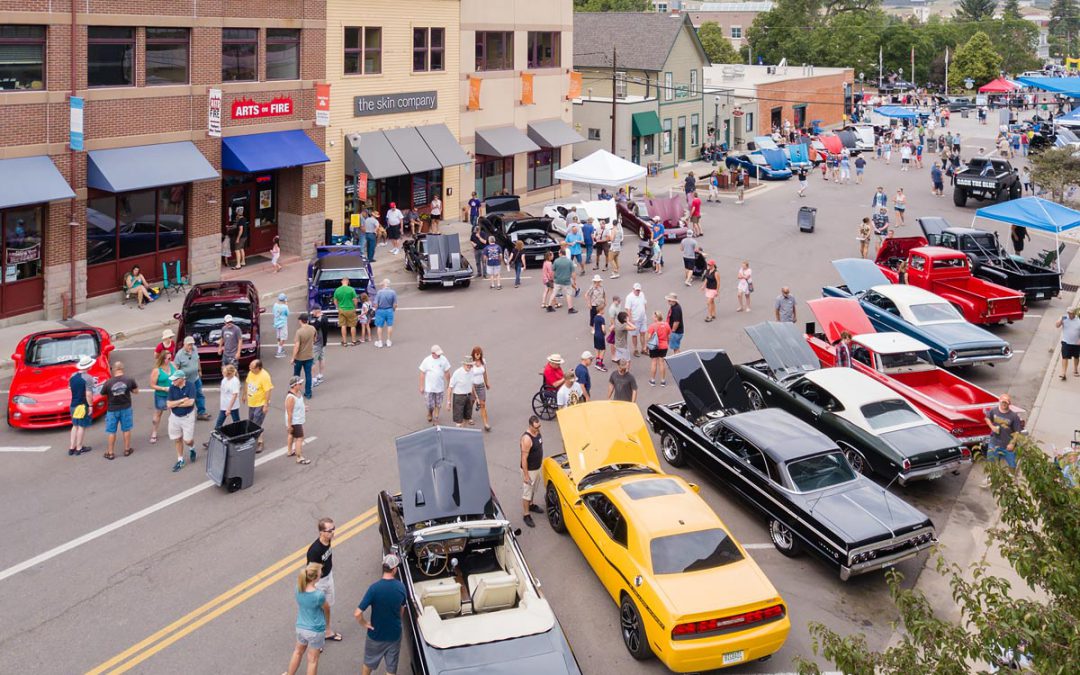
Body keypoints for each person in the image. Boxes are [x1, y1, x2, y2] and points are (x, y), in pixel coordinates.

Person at [356, 554, 407, 675]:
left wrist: (365, 623)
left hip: (375, 635)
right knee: (391, 668)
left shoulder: (374, 589)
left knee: (368, 663)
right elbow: (401, 610)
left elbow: (357, 613)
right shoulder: (401, 587)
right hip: (394, 635)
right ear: (394, 569)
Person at [284, 562, 329, 675]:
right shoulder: (319, 595)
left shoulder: (298, 588)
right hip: (315, 630)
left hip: (301, 627)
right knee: (312, 660)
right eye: (320, 573)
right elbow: (326, 609)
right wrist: (327, 624)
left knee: (298, 651)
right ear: (315, 577)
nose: (321, 574)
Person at [306, 518, 342, 643]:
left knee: (327, 607)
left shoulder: (328, 541)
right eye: (329, 530)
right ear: (321, 532)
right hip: (319, 583)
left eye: (333, 529)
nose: (333, 532)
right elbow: (311, 572)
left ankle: (327, 631)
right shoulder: (314, 551)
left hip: (328, 577)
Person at [983, 394, 1022, 486]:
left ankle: (1012, 480)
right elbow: (987, 418)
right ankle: (991, 478)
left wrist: (1012, 443)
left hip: (1008, 446)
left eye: (1006, 402)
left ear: (1009, 404)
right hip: (994, 443)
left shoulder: (1013, 416)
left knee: (1012, 464)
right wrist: (992, 427)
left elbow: (1017, 432)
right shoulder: (994, 411)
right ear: (999, 401)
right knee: (991, 462)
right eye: (1003, 402)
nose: (1004, 404)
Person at [102, 361, 137, 459]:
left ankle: (110, 453)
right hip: (126, 408)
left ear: (115, 369)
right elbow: (136, 391)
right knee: (126, 429)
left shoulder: (108, 382)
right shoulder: (129, 380)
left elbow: (103, 393)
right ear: (122, 368)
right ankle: (127, 449)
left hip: (112, 409)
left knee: (111, 431)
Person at [166, 371, 197, 473]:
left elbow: (191, 403)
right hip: (175, 416)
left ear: (181, 379)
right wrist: (181, 401)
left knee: (187, 440)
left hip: (188, 417)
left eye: (175, 379)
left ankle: (192, 447)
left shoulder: (190, 386)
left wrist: (175, 404)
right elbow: (169, 405)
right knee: (177, 438)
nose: (173, 381)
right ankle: (180, 459)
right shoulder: (172, 387)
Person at [174, 336, 210, 420]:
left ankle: (201, 413)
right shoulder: (179, 354)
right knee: (186, 397)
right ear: (184, 344)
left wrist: (200, 370)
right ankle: (184, 414)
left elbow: (197, 359)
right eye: (189, 344)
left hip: (196, 378)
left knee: (199, 395)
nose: (191, 346)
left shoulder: (195, 349)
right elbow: (176, 368)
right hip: (186, 381)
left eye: (192, 344)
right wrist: (179, 380)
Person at [66, 355, 95, 456]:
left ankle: (71, 447)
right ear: (88, 366)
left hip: (73, 404)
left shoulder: (73, 376)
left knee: (75, 426)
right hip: (82, 405)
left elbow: (69, 388)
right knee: (81, 426)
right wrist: (90, 405)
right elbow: (88, 394)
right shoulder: (88, 378)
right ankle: (79, 447)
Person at [243, 359, 273, 453]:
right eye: (250, 367)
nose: (249, 368)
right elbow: (247, 382)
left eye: (252, 367)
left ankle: (259, 442)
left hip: (260, 403)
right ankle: (252, 438)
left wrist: (265, 404)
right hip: (252, 402)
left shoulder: (265, 376)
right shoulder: (251, 373)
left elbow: (268, 391)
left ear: (258, 368)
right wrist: (244, 394)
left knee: (256, 423)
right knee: (252, 421)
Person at [520, 416, 545, 528]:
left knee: (533, 489)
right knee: (527, 492)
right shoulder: (526, 439)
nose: (538, 428)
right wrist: (526, 476)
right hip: (529, 471)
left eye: (539, 425)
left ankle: (531, 504)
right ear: (530, 426)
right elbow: (524, 458)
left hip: (537, 467)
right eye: (536, 427)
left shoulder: (537, 432)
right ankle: (526, 514)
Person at [148, 349, 176, 446]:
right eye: (168, 358)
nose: (170, 359)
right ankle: (154, 432)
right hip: (161, 396)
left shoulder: (173, 365)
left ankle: (174, 430)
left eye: (170, 357)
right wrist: (163, 388)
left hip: (172, 394)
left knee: (173, 413)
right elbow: (152, 385)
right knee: (158, 414)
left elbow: (177, 376)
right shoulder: (157, 370)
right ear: (163, 359)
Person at [419, 345, 451, 425]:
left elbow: (447, 372)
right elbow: (422, 373)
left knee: (438, 404)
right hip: (429, 388)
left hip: (439, 388)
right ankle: (430, 412)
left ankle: (436, 418)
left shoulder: (443, 360)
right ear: (433, 353)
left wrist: (448, 383)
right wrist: (421, 386)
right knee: (430, 405)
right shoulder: (427, 360)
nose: (439, 355)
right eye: (437, 353)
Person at [284, 376, 309, 465]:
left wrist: (303, 408)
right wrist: (290, 425)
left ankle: (290, 451)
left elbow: (298, 406)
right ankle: (299, 457)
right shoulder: (291, 398)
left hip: (297, 420)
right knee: (299, 438)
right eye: (299, 384)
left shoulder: (298, 393)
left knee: (291, 435)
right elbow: (290, 413)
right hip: (295, 421)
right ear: (294, 385)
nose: (301, 385)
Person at [293, 313, 316, 399]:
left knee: (296, 376)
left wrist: (293, 357)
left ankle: (295, 392)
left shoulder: (299, 332)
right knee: (308, 375)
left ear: (300, 321)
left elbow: (297, 346)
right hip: (309, 356)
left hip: (299, 357)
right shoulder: (312, 328)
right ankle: (308, 393)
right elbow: (315, 339)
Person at [447, 357, 475, 427]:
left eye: (470, 365)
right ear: (463, 364)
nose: (469, 366)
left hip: (468, 397)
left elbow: (472, 384)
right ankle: (459, 433)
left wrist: (475, 397)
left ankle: (463, 431)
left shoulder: (472, 371)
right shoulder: (457, 373)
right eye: (467, 365)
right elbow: (450, 388)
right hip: (459, 397)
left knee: (467, 417)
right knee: (459, 420)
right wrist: (448, 402)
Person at [646, 311, 671, 386]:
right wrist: (667, 343)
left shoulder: (652, 326)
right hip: (664, 346)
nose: (652, 317)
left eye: (653, 316)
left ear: (656, 317)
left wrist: (647, 345)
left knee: (654, 362)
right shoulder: (666, 325)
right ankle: (663, 381)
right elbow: (668, 336)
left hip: (654, 346)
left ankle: (652, 380)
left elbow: (649, 337)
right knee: (661, 363)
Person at [470, 346, 492, 431]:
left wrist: (486, 383)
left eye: (479, 354)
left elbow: (485, 373)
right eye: (476, 354)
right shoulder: (471, 364)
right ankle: (469, 416)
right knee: (471, 402)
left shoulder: (483, 361)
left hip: (481, 386)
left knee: (483, 404)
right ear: (474, 354)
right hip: (473, 386)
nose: (478, 356)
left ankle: (486, 423)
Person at [373, 278, 398, 348]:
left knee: (379, 326)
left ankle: (380, 342)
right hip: (389, 310)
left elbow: (376, 304)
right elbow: (395, 304)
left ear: (384, 284)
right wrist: (393, 309)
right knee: (389, 325)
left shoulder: (379, 292)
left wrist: (375, 309)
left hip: (380, 311)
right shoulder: (393, 292)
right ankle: (389, 341)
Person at [333, 277, 358, 347]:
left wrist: (338, 307)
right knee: (352, 325)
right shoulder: (351, 289)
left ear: (342, 281)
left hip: (342, 310)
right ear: (348, 282)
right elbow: (355, 300)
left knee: (343, 325)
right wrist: (355, 307)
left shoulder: (337, 290)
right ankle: (353, 341)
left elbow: (335, 300)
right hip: (350, 309)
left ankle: (344, 342)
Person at [1056, 308, 1080, 380]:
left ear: (1075, 313)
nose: (1070, 314)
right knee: (1065, 357)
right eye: (1069, 313)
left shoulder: (1078, 320)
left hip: (1076, 343)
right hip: (1066, 341)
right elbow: (1057, 325)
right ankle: (1063, 373)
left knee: (1076, 357)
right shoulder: (1064, 318)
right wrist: (1061, 321)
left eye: (1071, 313)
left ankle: (1075, 369)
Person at [624, 283, 647, 354]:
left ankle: (643, 349)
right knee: (634, 335)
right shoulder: (629, 297)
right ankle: (635, 349)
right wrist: (630, 320)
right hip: (634, 320)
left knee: (643, 333)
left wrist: (644, 311)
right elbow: (628, 309)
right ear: (633, 289)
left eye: (639, 290)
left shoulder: (642, 294)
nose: (638, 291)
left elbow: (644, 303)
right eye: (636, 290)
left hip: (642, 319)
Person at [216, 363, 241, 430]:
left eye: (224, 372)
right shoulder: (225, 379)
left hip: (232, 406)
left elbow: (234, 395)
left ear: (229, 373)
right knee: (219, 423)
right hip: (224, 405)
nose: (222, 373)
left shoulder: (235, 381)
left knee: (236, 422)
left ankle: (240, 435)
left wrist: (229, 408)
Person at [552, 248, 576, 314]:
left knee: (554, 292)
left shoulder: (556, 261)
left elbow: (553, 271)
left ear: (560, 253)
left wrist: (553, 278)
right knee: (568, 294)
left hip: (558, 280)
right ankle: (570, 308)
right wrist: (574, 280)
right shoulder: (569, 261)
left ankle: (549, 305)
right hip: (567, 280)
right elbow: (573, 273)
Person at [309, 307, 328, 387]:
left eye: (313, 311)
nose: (312, 312)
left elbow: (313, 327)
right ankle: (320, 375)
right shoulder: (325, 317)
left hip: (317, 343)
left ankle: (314, 379)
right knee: (322, 358)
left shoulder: (319, 320)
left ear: (316, 311)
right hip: (324, 342)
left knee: (313, 361)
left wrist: (310, 318)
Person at [592, 302, 608, 371]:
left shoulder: (595, 317)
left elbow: (594, 326)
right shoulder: (602, 319)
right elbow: (603, 329)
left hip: (595, 335)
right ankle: (600, 364)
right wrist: (605, 333)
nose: (604, 311)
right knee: (603, 349)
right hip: (600, 336)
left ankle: (597, 361)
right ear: (600, 310)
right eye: (603, 309)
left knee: (597, 349)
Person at [273, 293, 290, 358]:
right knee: (283, 337)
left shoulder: (275, 305)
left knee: (279, 336)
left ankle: (280, 348)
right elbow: (288, 314)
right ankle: (279, 352)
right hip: (283, 323)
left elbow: (273, 312)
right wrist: (286, 305)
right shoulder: (285, 307)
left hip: (276, 323)